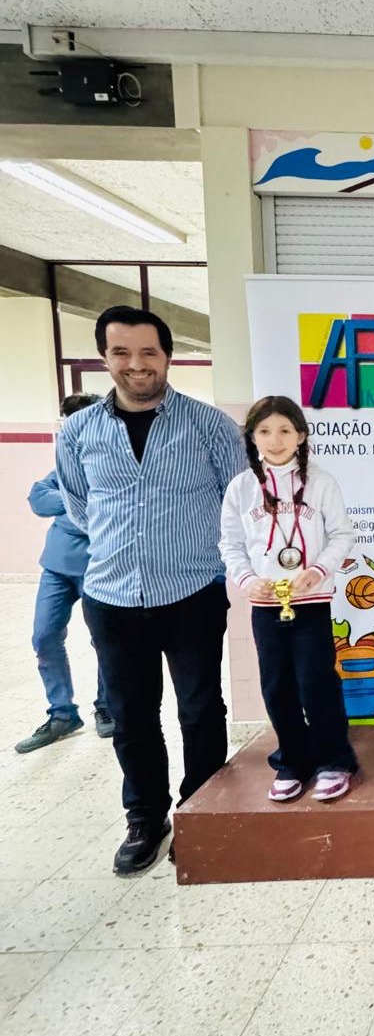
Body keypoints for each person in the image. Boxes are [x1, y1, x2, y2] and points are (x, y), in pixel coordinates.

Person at [56, 306, 245, 875]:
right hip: (111, 597)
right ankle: (145, 817)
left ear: (167, 356)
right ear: (105, 358)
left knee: (200, 708)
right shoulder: (78, 431)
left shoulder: (208, 426)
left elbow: (236, 503)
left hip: (191, 593)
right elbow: (80, 507)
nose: (136, 364)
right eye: (121, 352)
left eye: (148, 352)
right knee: (131, 713)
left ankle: (201, 810)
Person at [219, 395, 359, 801]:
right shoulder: (242, 488)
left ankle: (334, 760)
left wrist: (318, 571)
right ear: (252, 437)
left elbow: (342, 535)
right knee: (276, 686)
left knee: (316, 682)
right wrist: (247, 580)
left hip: (311, 601)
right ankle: (292, 761)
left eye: (284, 430)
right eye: (264, 431)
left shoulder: (321, 482)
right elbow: (230, 544)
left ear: (300, 435)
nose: (275, 440)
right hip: (265, 605)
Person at [15, 394, 112, 754]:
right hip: (57, 565)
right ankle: (61, 714)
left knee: (105, 641)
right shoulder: (66, 465)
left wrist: (76, 505)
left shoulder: (110, 462)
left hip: (100, 566)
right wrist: (78, 503)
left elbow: (114, 507)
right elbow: (38, 499)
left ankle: (107, 706)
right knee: (44, 636)